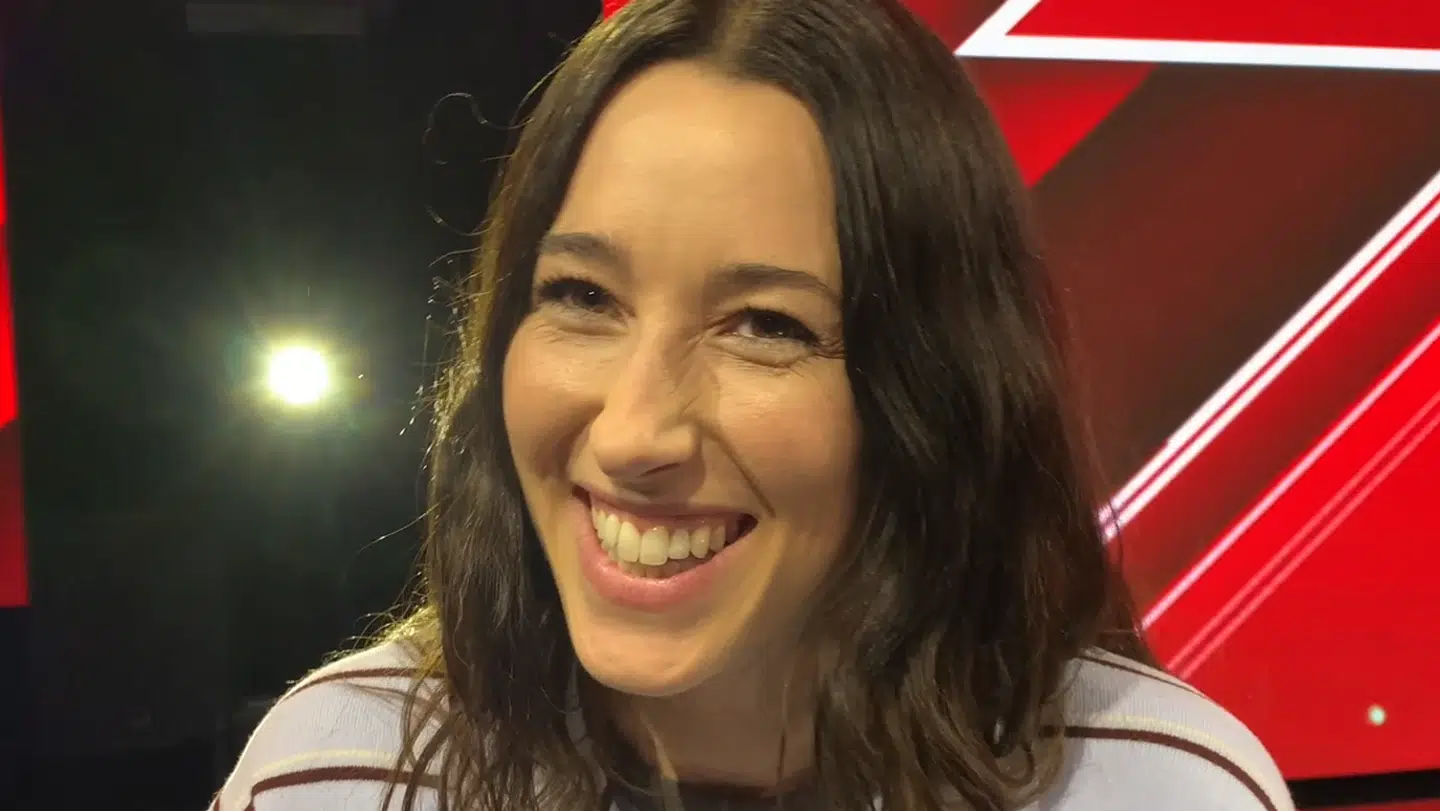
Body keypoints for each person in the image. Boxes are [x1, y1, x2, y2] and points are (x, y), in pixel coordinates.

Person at [213, 0, 1294, 809]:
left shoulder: (1159, 787)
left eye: (767, 325)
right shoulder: (337, 772)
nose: (634, 433)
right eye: (582, 296)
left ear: (937, 388)